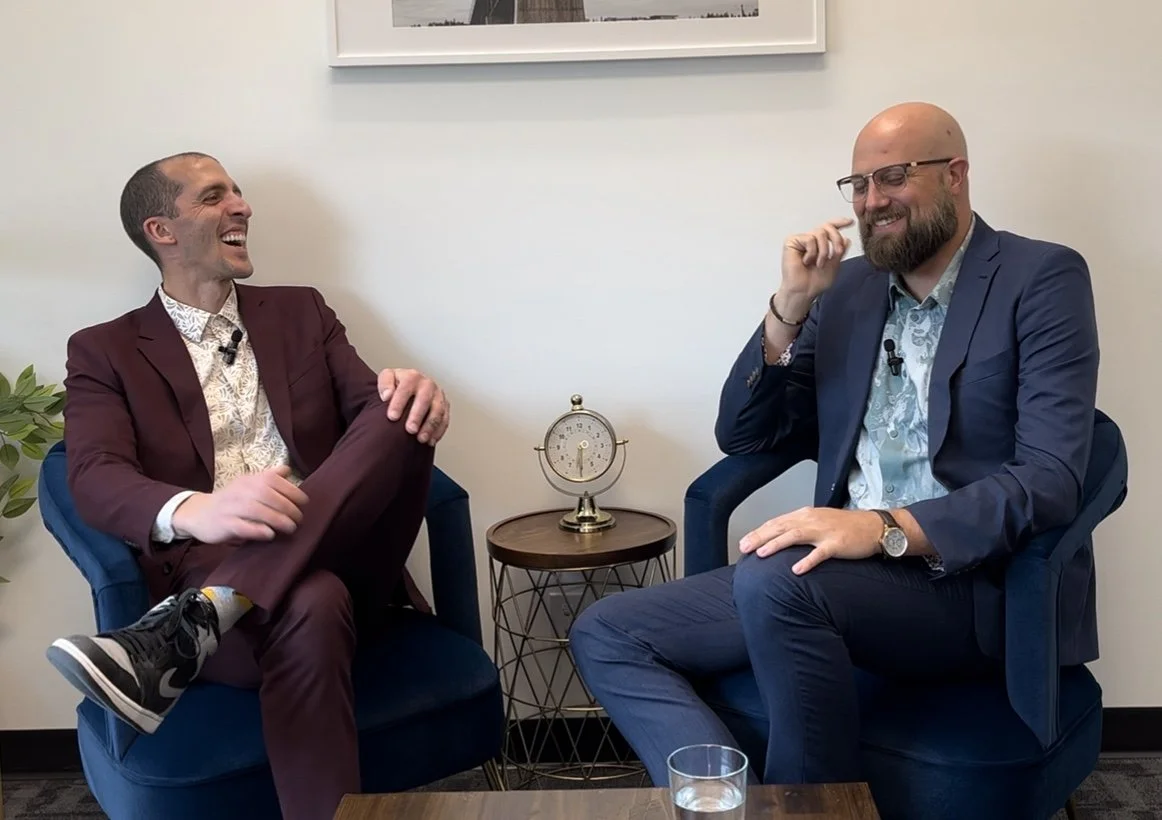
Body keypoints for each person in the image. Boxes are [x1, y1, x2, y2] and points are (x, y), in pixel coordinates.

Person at [569, 102, 1100, 787]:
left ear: (955, 175)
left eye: (893, 177)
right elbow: (746, 433)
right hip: (832, 578)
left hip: (969, 585)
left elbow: (1050, 479)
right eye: (858, 184)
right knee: (609, 631)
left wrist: (882, 528)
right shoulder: (848, 289)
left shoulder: (1041, 278)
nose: (871, 201)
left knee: (776, 581)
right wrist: (789, 308)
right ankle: (727, 803)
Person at [45, 152, 450, 820]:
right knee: (312, 599)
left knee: (399, 409)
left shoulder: (302, 311)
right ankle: (219, 606)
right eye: (213, 196)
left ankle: (192, 623)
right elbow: (92, 474)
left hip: (353, 553)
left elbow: (371, 417)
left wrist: (413, 390)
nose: (242, 206)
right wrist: (199, 509)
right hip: (222, 568)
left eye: (237, 192)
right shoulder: (104, 349)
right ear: (162, 231)